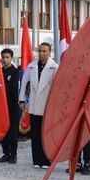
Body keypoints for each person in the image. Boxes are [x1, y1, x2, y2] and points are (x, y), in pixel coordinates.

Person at [19, 41, 58, 169]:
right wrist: (22, 100)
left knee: (45, 135)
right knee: (35, 134)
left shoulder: (54, 67)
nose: (41, 53)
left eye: (44, 51)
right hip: (34, 106)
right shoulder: (31, 66)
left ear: (49, 52)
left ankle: (46, 160)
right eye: (40, 51)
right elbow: (24, 83)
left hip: (47, 106)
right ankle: (36, 160)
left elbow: (57, 88)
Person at [0, 48, 20, 164]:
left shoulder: (14, 71)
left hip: (11, 105)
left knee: (12, 131)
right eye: (3, 57)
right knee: (4, 130)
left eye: (7, 57)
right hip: (2, 105)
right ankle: (6, 152)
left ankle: (14, 154)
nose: (5, 60)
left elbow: (12, 87)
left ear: (11, 58)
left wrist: (3, 84)